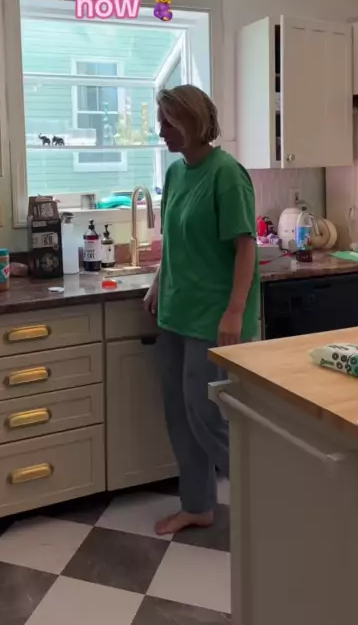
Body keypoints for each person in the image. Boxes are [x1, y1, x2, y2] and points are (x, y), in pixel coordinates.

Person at [144, 84, 259, 536]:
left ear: (194, 122)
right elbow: (174, 239)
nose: (161, 131)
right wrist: (158, 282)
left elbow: (245, 247)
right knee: (178, 413)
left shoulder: (226, 174)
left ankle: (269, 501)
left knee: (206, 415)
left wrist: (235, 311)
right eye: (160, 121)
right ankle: (197, 506)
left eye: (168, 122)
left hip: (213, 316)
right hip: (176, 310)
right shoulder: (176, 173)